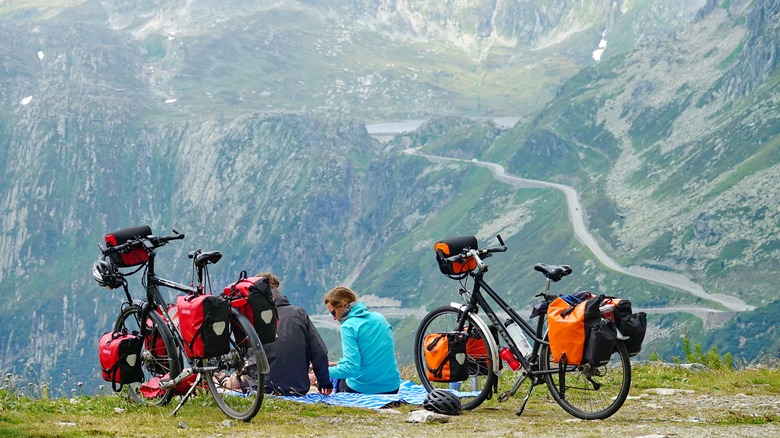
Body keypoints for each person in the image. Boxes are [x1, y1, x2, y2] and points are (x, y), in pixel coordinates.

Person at [259, 273, 332, 396]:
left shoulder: (254, 317)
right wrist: (324, 382)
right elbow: (319, 351)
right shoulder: (298, 313)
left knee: (232, 381)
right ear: (278, 289)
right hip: (297, 388)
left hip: (261, 387)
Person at [324, 286, 401, 394]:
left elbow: (350, 369)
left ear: (344, 304)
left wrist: (320, 373)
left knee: (334, 378)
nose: (334, 318)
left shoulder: (348, 327)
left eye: (333, 312)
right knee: (335, 372)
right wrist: (333, 364)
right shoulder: (379, 318)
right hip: (392, 388)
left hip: (363, 389)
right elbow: (369, 357)